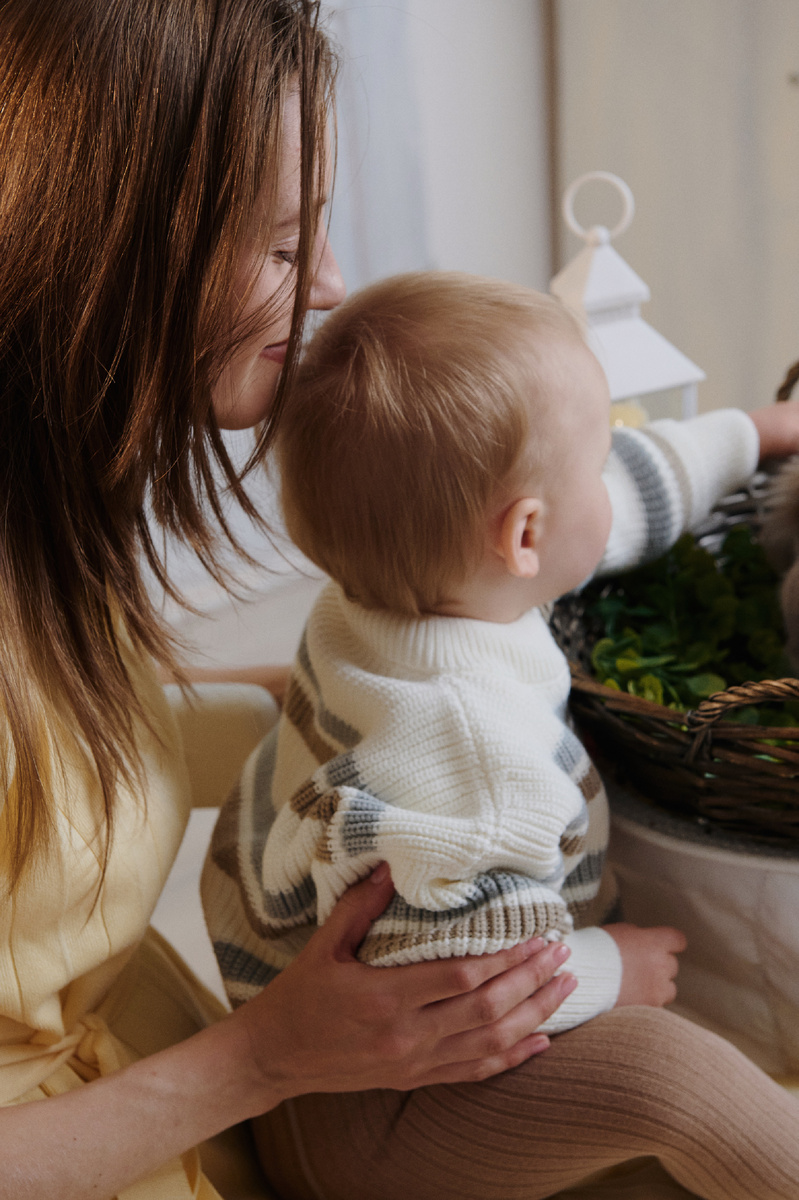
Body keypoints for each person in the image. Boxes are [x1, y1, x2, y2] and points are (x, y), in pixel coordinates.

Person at [0, 6, 579, 1199]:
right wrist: (264, 1059)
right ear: (110, 245)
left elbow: (58, 772)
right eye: (279, 245)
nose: (328, 285)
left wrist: (317, 714)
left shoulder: (46, 512)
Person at [202, 271, 799, 1199]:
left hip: (331, 1043)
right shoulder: (472, 765)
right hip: (376, 1112)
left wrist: (755, 434)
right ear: (523, 537)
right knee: (666, 1074)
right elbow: (461, 983)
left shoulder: (394, 589)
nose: (610, 480)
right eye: (597, 461)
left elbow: (615, 503)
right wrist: (609, 970)